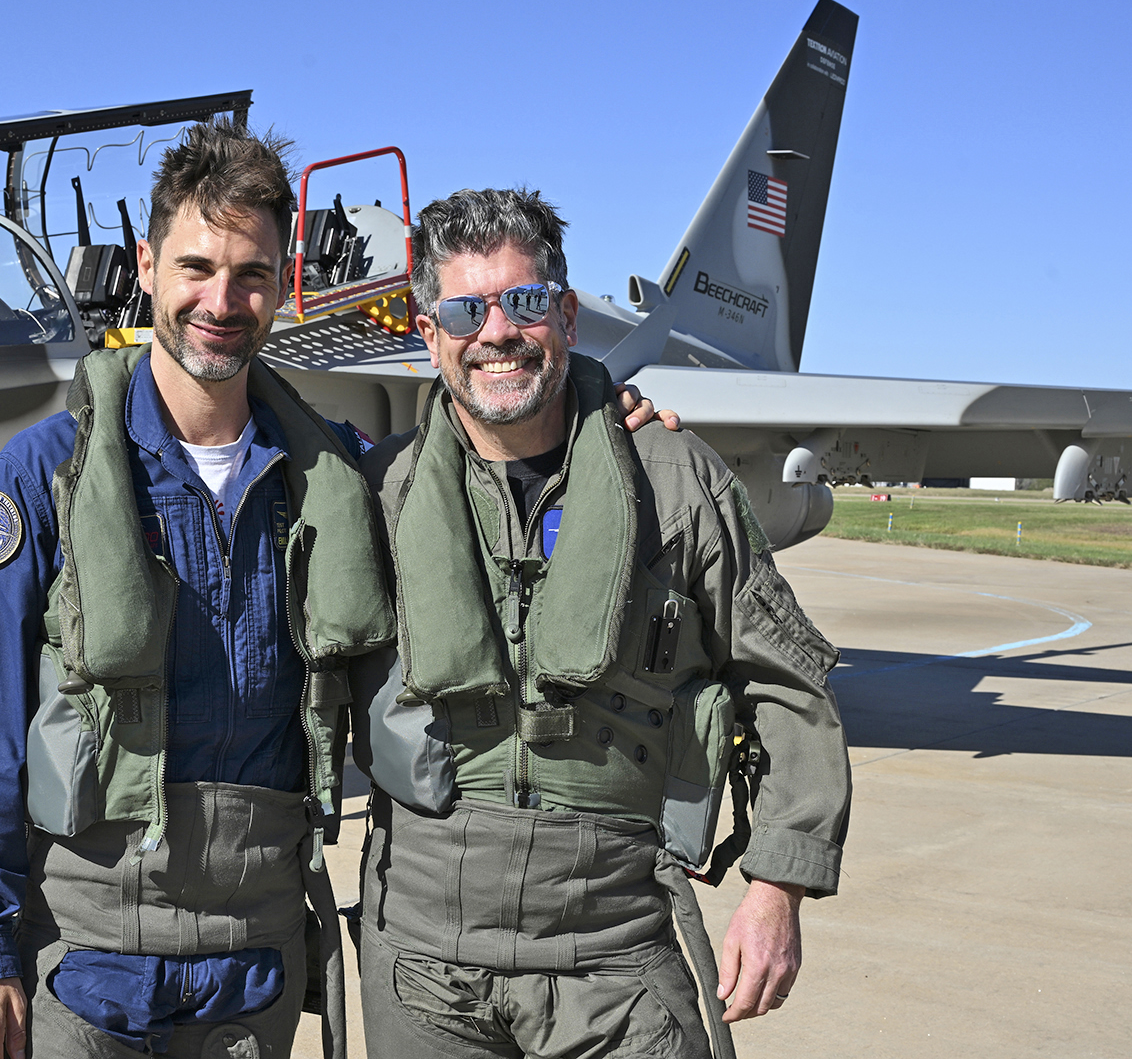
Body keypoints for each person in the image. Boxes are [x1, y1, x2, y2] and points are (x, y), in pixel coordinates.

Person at [0, 126, 667, 1059]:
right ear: (147, 267)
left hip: (255, 970)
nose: (221, 302)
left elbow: (487, 450)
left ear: (282, 285)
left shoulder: (338, 482)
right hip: (88, 961)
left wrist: (601, 420)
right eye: (196, 268)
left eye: (252, 275)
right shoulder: (49, 476)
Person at [352, 188, 851, 1059]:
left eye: (526, 302)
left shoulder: (673, 481)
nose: (498, 332)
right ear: (429, 334)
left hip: (611, 952)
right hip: (422, 960)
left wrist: (779, 885)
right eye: (466, 309)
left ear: (568, 317)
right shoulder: (381, 491)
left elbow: (786, 685)